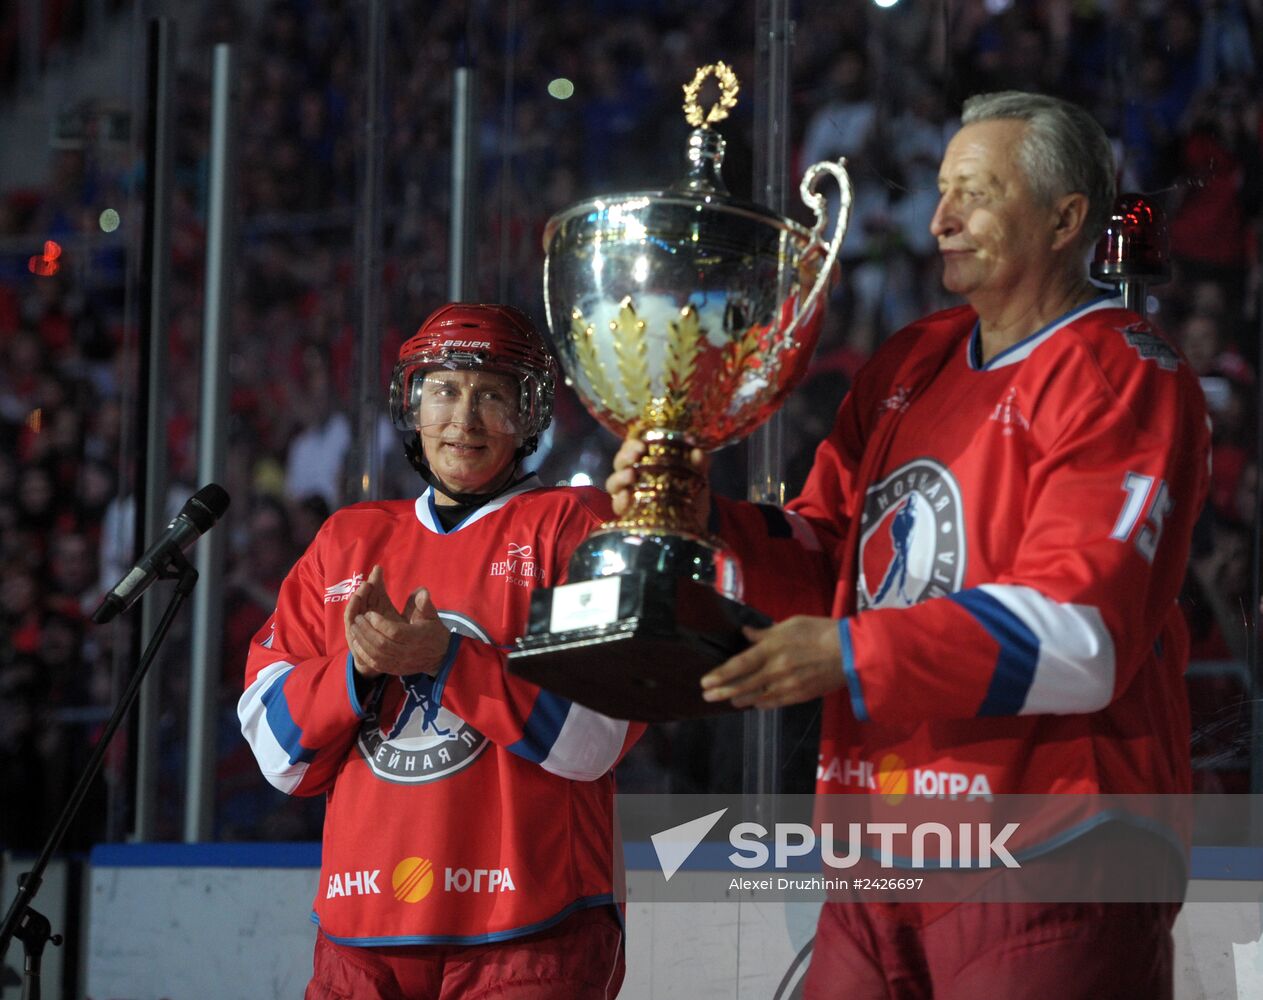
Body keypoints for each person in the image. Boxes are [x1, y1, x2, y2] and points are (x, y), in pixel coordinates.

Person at [609, 91, 1211, 997]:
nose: (937, 220)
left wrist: (849, 652)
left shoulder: (1121, 367)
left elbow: (1082, 639)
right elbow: (823, 560)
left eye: (973, 192)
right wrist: (701, 521)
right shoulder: (908, 362)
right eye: (938, 191)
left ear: (1064, 218)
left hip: (1054, 839)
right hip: (878, 851)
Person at [241, 303, 641, 999]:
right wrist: (359, 668)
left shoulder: (578, 528)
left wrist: (446, 658)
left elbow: (591, 735)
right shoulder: (346, 541)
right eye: (444, 391)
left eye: (492, 394)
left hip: (530, 931)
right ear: (411, 405)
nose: (464, 419)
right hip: (357, 937)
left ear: (530, 414)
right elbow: (276, 750)